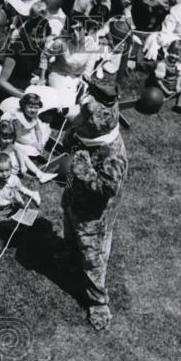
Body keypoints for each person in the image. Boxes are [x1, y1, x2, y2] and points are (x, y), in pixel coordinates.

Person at [61, 80, 128, 331]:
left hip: (94, 215)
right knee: (69, 228)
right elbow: (74, 134)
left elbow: (105, 190)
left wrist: (83, 168)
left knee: (94, 257)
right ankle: (69, 255)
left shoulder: (112, 154)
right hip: (73, 195)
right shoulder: (89, 118)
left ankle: (98, 302)